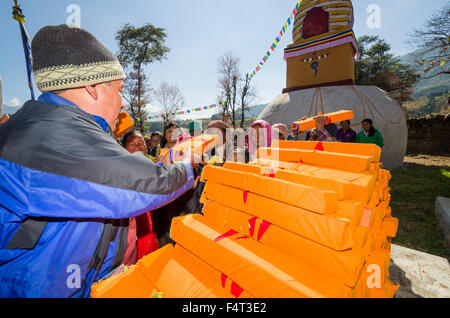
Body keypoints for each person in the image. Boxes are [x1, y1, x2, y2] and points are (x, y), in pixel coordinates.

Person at [0, 24, 198, 298]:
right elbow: (146, 183)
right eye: (119, 89)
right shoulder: (51, 135)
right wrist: (190, 168)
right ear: (93, 88)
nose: (122, 103)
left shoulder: (49, 126)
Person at [120, 130, 159, 262]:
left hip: (149, 220)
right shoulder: (118, 168)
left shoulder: (154, 165)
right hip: (126, 222)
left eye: (141, 143)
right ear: (123, 147)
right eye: (132, 143)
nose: (138, 147)